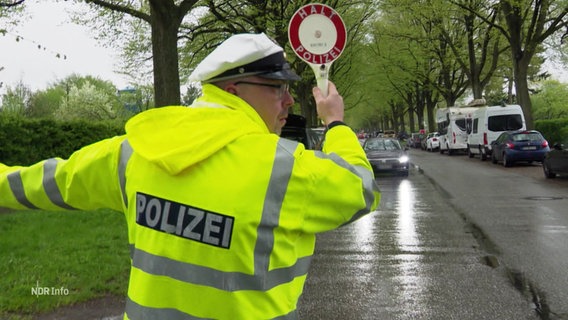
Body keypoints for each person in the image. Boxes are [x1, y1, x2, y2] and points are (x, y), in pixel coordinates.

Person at [0, 33, 380, 319]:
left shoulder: (137, 149)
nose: (289, 100)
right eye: (277, 87)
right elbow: (360, 187)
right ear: (234, 89)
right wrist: (335, 122)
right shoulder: (286, 168)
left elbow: (47, 181)